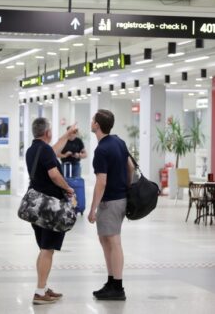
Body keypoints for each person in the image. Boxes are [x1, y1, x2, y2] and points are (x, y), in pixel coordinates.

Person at [26, 117, 77, 305]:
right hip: (51, 207)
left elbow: (52, 152)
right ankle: (40, 292)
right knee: (47, 249)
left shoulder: (34, 149)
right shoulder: (44, 150)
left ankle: (43, 286)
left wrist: (66, 135)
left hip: (37, 206)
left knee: (43, 249)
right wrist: (68, 189)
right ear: (47, 132)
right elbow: (54, 174)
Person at [88, 109, 134, 301]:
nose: (91, 122)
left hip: (110, 201)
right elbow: (130, 166)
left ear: (97, 125)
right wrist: (127, 187)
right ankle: (111, 281)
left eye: (93, 120)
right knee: (105, 240)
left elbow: (101, 182)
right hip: (119, 198)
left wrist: (92, 209)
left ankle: (118, 286)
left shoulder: (101, 150)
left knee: (113, 241)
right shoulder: (119, 142)